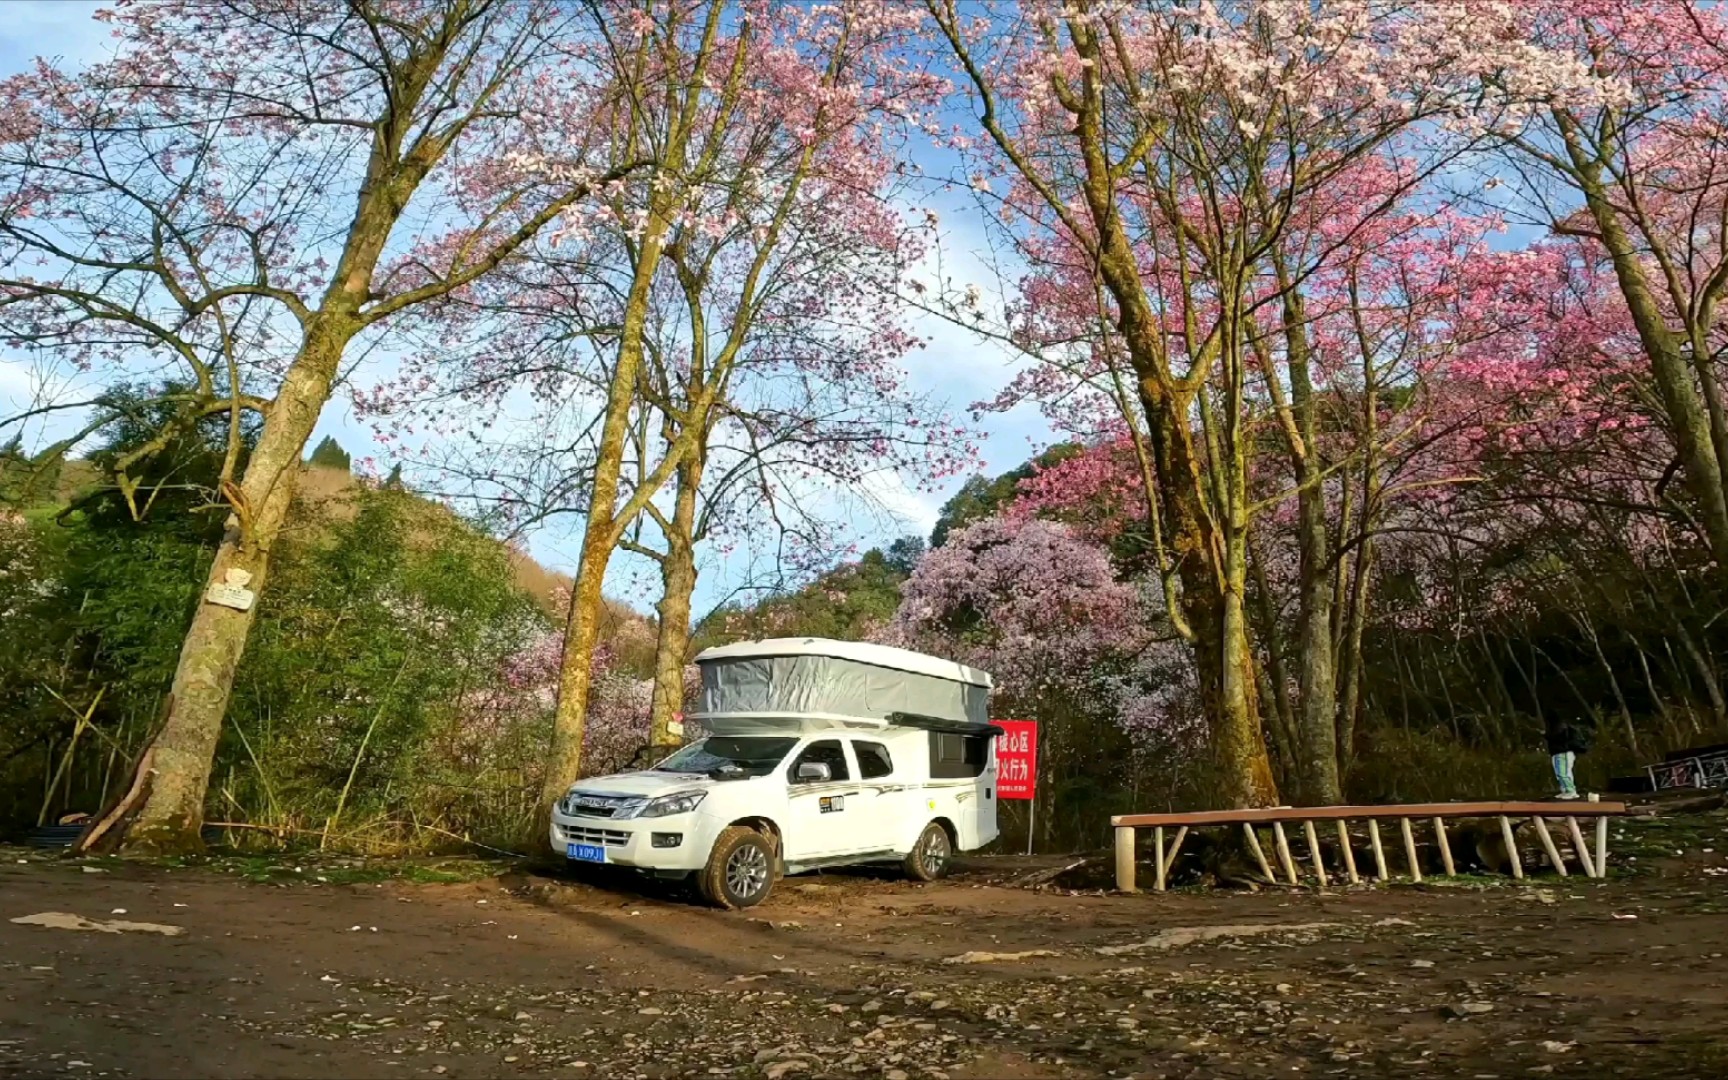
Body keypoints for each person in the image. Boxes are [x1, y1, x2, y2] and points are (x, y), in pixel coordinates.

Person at [1545, 711, 1594, 800]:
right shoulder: (1557, 727)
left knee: (1564, 773)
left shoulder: (1560, 727)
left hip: (1563, 752)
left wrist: (1547, 735)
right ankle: (1565, 790)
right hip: (1557, 752)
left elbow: (1559, 738)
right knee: (1560, 773)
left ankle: (1571, 791)